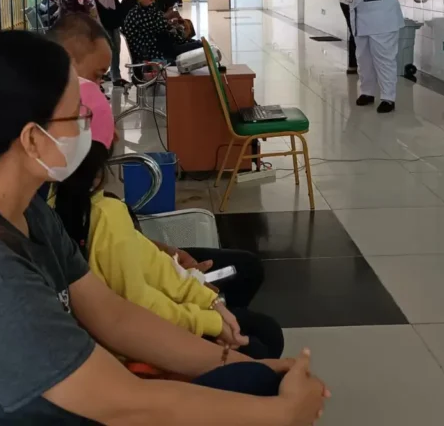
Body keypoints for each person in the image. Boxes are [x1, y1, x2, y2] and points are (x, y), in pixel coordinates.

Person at [0, 31, 327, 424]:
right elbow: (122, 404)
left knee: (252, 380)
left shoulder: (27, 212)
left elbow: (114, 317)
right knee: (256, 399)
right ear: (31, 138)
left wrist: (235, 362)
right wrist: (279, 414)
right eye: (74, 114)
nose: (88, 122)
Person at [53, 78, 284, 360]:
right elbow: (139, 304)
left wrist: (207, 301)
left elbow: (147, 262)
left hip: (141, 322)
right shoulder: (103, 217)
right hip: (139, 344)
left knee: (254, 311)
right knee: (262, 338)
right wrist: (206, 319)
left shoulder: (66, 206)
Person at [121, 0, 202, 65]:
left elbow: (161, 24)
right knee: (199, 47)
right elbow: (160, 26)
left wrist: (171, 23)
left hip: (162, 47)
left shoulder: (149, 8)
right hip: (153, 55)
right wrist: (169, 20)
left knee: (198, 45)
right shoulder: (137, 14)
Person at [84, 0, 128, 87]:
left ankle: (116, 76)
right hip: (100, 12)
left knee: (116, 46)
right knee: (104, 47)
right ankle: (98, 79)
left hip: (112, 11)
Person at [339, 0, 358, 75]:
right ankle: (353, 65)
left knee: (356, 32)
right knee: (354, 32)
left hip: (353, 2)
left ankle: (355, 64)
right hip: (348, 2)